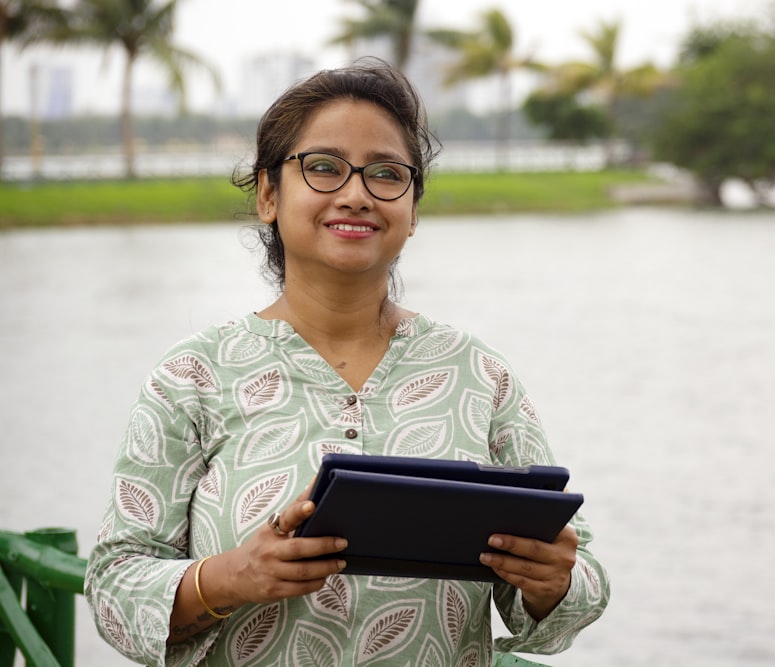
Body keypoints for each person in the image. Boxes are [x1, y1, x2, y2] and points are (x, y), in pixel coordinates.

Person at [84, 59, 610, 666]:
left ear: (412, 211)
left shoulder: (478, 375)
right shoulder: (194, 376)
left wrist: (551, 582)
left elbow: (580, 572)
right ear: (268, 195)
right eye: (324, 168)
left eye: (387, 174)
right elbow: (113, 585)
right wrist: (230, 577)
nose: (356, 194)